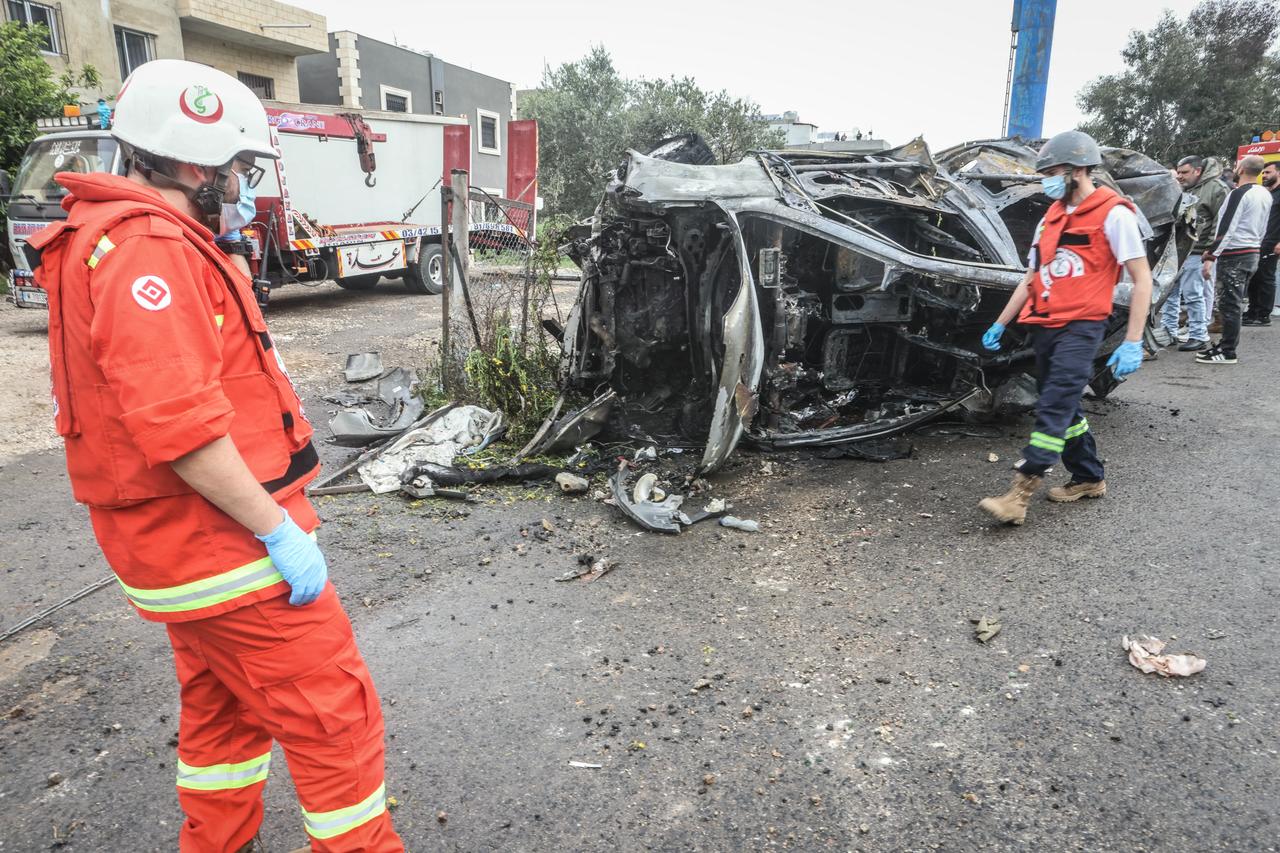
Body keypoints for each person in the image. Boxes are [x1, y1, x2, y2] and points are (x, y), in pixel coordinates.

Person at [24, 59, 403, 853]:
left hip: (181, 555)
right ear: (193, 162)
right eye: (234, 168)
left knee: (224, 717)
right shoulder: (147, 251)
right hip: (221, 549)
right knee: (334, 717)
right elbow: (182, 429)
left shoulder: (110, 240)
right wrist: (278, 531)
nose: (239, 185)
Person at [977, 130, 1153, 526]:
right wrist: (1000, 323)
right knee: (1066, 407)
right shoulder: (1050, 218)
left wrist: (1132, 341)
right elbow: (1030, 278)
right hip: (1044, 326)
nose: (1047, 180)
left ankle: (1019, 494)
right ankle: (1089, 476)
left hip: (1082, 326)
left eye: (1052, 171)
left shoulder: (1114, 213)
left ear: (1077, 170)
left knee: (1054, 406)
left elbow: (1142, 280)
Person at [1197, 154, 1273, 364]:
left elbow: (1227, 226)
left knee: (1230, 304)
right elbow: (1263, 226)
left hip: (1235, 254)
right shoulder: (1264, 194)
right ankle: (1226, 346)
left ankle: (1228, 350)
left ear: (1240, 170)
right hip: (1251, 252)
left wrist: (1212, 255)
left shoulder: (1239, 193)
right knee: (1235, 302)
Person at [1161, 155, 1226, 351]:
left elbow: (1220, 222)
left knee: (1193, 295)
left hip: (1198, 251)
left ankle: (1198, 334)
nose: (1180, 176)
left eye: (1184, 173)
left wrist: (1211, 252)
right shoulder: (1181, 189)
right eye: (1178, 172)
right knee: (1169, 295)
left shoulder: (1216, 189)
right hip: (1176, 252)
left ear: (1197, 171)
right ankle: (1168, 331)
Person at [1243, 159, 1280, 327]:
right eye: (1263, 172)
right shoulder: (1266, 194)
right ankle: (1252, 311)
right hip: (1258, 241)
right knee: (1254, 277)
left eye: (1268, 172)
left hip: (1273, 242)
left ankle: (1263, 314)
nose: (1264, 175)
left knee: (1266, 277)